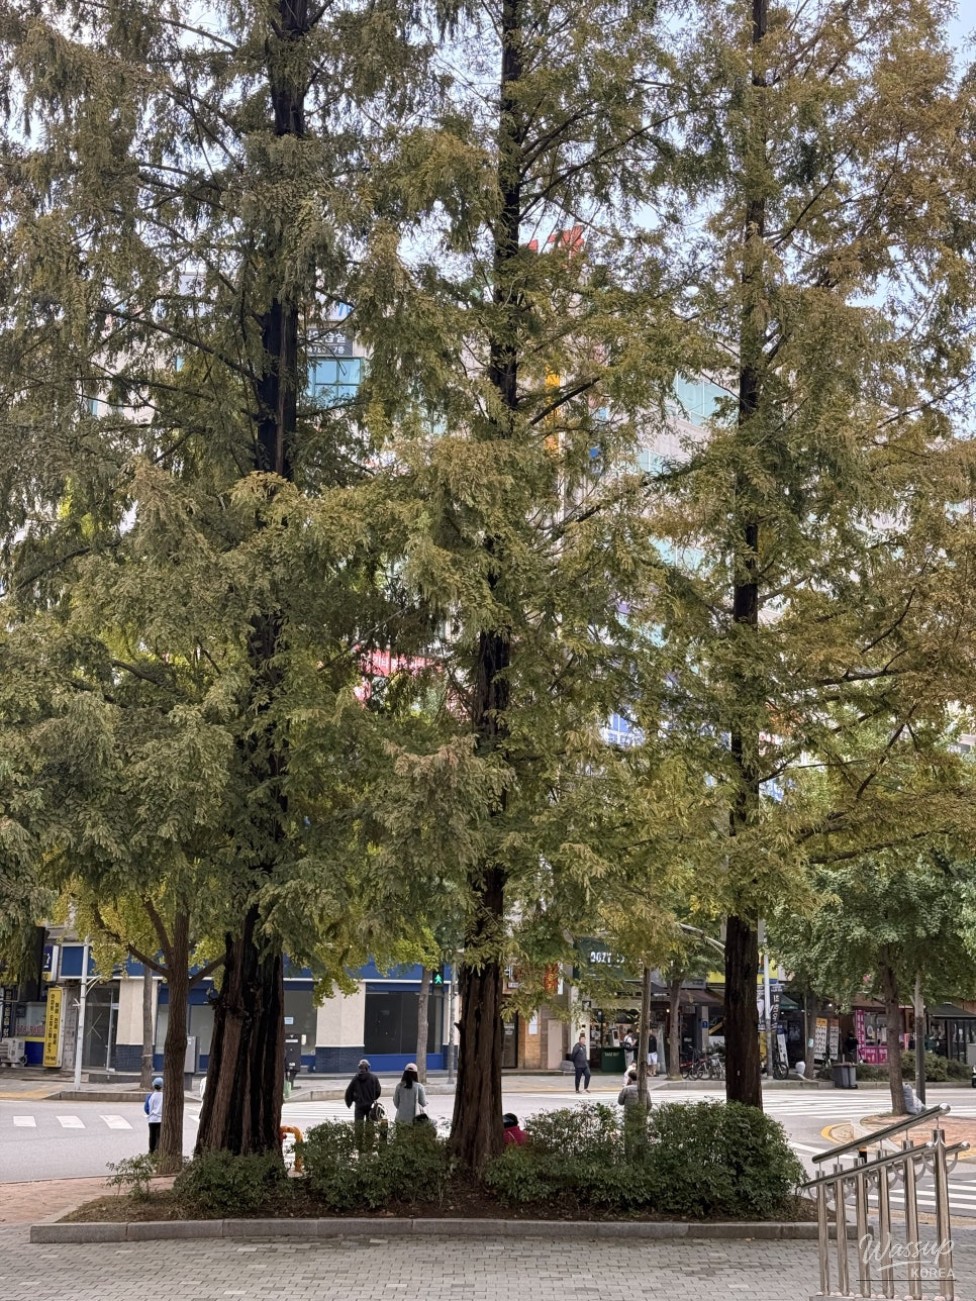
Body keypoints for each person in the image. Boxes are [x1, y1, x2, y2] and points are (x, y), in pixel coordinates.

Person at [345, 1057, 382, 1151]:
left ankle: (359, 1146)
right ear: (367, 1068)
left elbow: (349, 1092)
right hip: (370, 1106)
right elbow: (378, 1091)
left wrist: (350, 1101)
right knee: (370, 1126)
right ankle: (369, 1145)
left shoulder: (355, 1079)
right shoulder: (374, 1078)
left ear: (359, 1068)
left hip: (359, 1106)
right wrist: (373, 1098)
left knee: (358, 1126)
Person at [144, 1075, 163, 1155]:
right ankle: (158, 1150)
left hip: (152, 1119)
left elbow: (146, 1108)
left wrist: (150, 1113)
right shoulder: (164, 1096)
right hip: (161, 1119)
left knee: (152, 1136)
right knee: (159, 1136)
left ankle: (151, 1151)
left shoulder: (150, 1096)